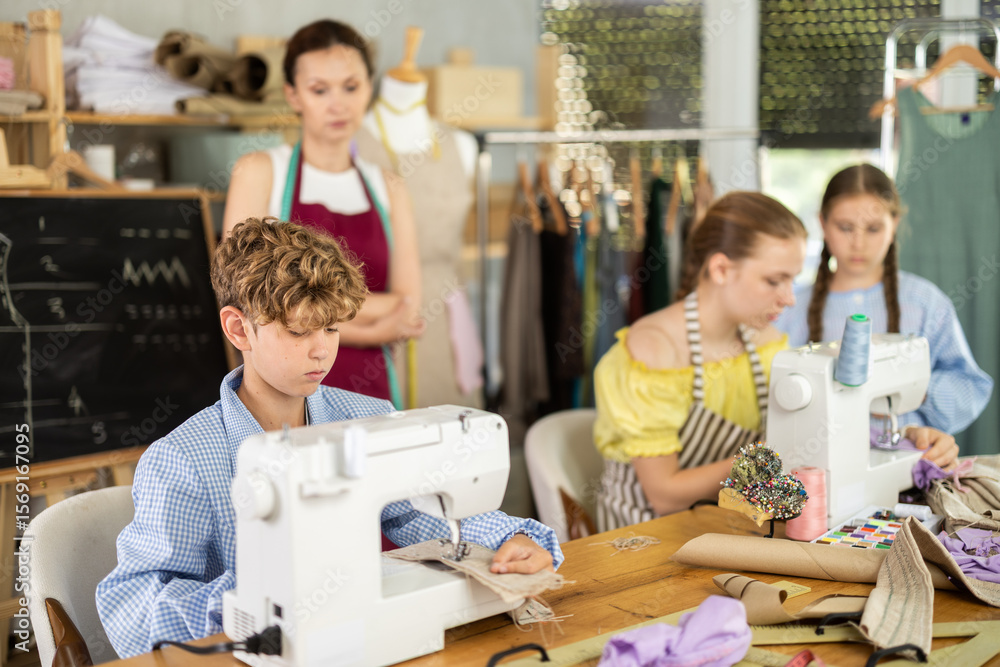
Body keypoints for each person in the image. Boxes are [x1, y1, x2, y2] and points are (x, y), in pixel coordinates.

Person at [96, 218, 562, 658]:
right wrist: (251, 599)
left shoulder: (368, 419)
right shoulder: (183, 459)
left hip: (354, 646)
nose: (322, 350)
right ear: (240, 329)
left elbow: (426, 512)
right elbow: (132, 609)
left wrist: (514, 537)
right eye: (299, 331)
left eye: (334, 328)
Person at [593, 192, 959, 532]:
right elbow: (665, 494)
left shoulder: (765, 341)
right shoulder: (654, 352)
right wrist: (771, 453)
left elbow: (815, 425)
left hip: (725, 521)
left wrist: (905, 441)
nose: (789, 299)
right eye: (774, 281)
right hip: (644, 536)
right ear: (721, 269)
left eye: (791, 281)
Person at [223, 19, 424, 408]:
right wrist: (373, 328)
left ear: (369, 86)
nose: (339, 104)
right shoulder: (260, 172)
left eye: (351, 86)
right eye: (319, 90)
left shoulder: (391, 187)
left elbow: (407, 306)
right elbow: (247, 302)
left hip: (373, 390)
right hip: (280, 396)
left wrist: (300, 311)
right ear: (293, 95)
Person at [775, 163, 993, 435]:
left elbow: (969, 387)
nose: (858, 243)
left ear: (894, 225)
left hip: (908, 467)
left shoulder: (925, 302)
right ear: (823, 224)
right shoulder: (788, 307)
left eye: (874, 228)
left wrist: (910, 384)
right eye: (845, 227)